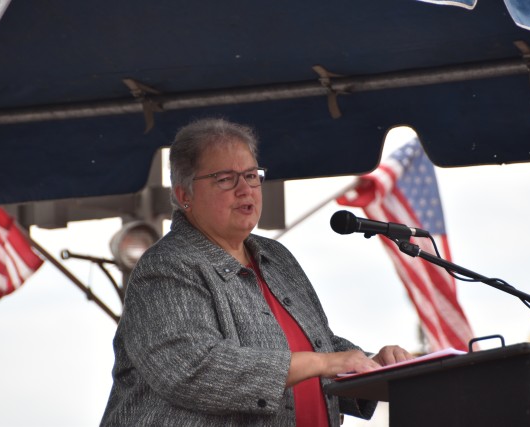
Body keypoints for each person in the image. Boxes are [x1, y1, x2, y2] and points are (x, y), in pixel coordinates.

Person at [100, 117, 413, 426]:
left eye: (251, 175)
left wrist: (370, 365)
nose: (244, 189)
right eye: (225, 179)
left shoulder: (277, 257)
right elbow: (193, 369)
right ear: (185, 196)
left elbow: (318, 345)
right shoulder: (167, 266)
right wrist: (323, 362)